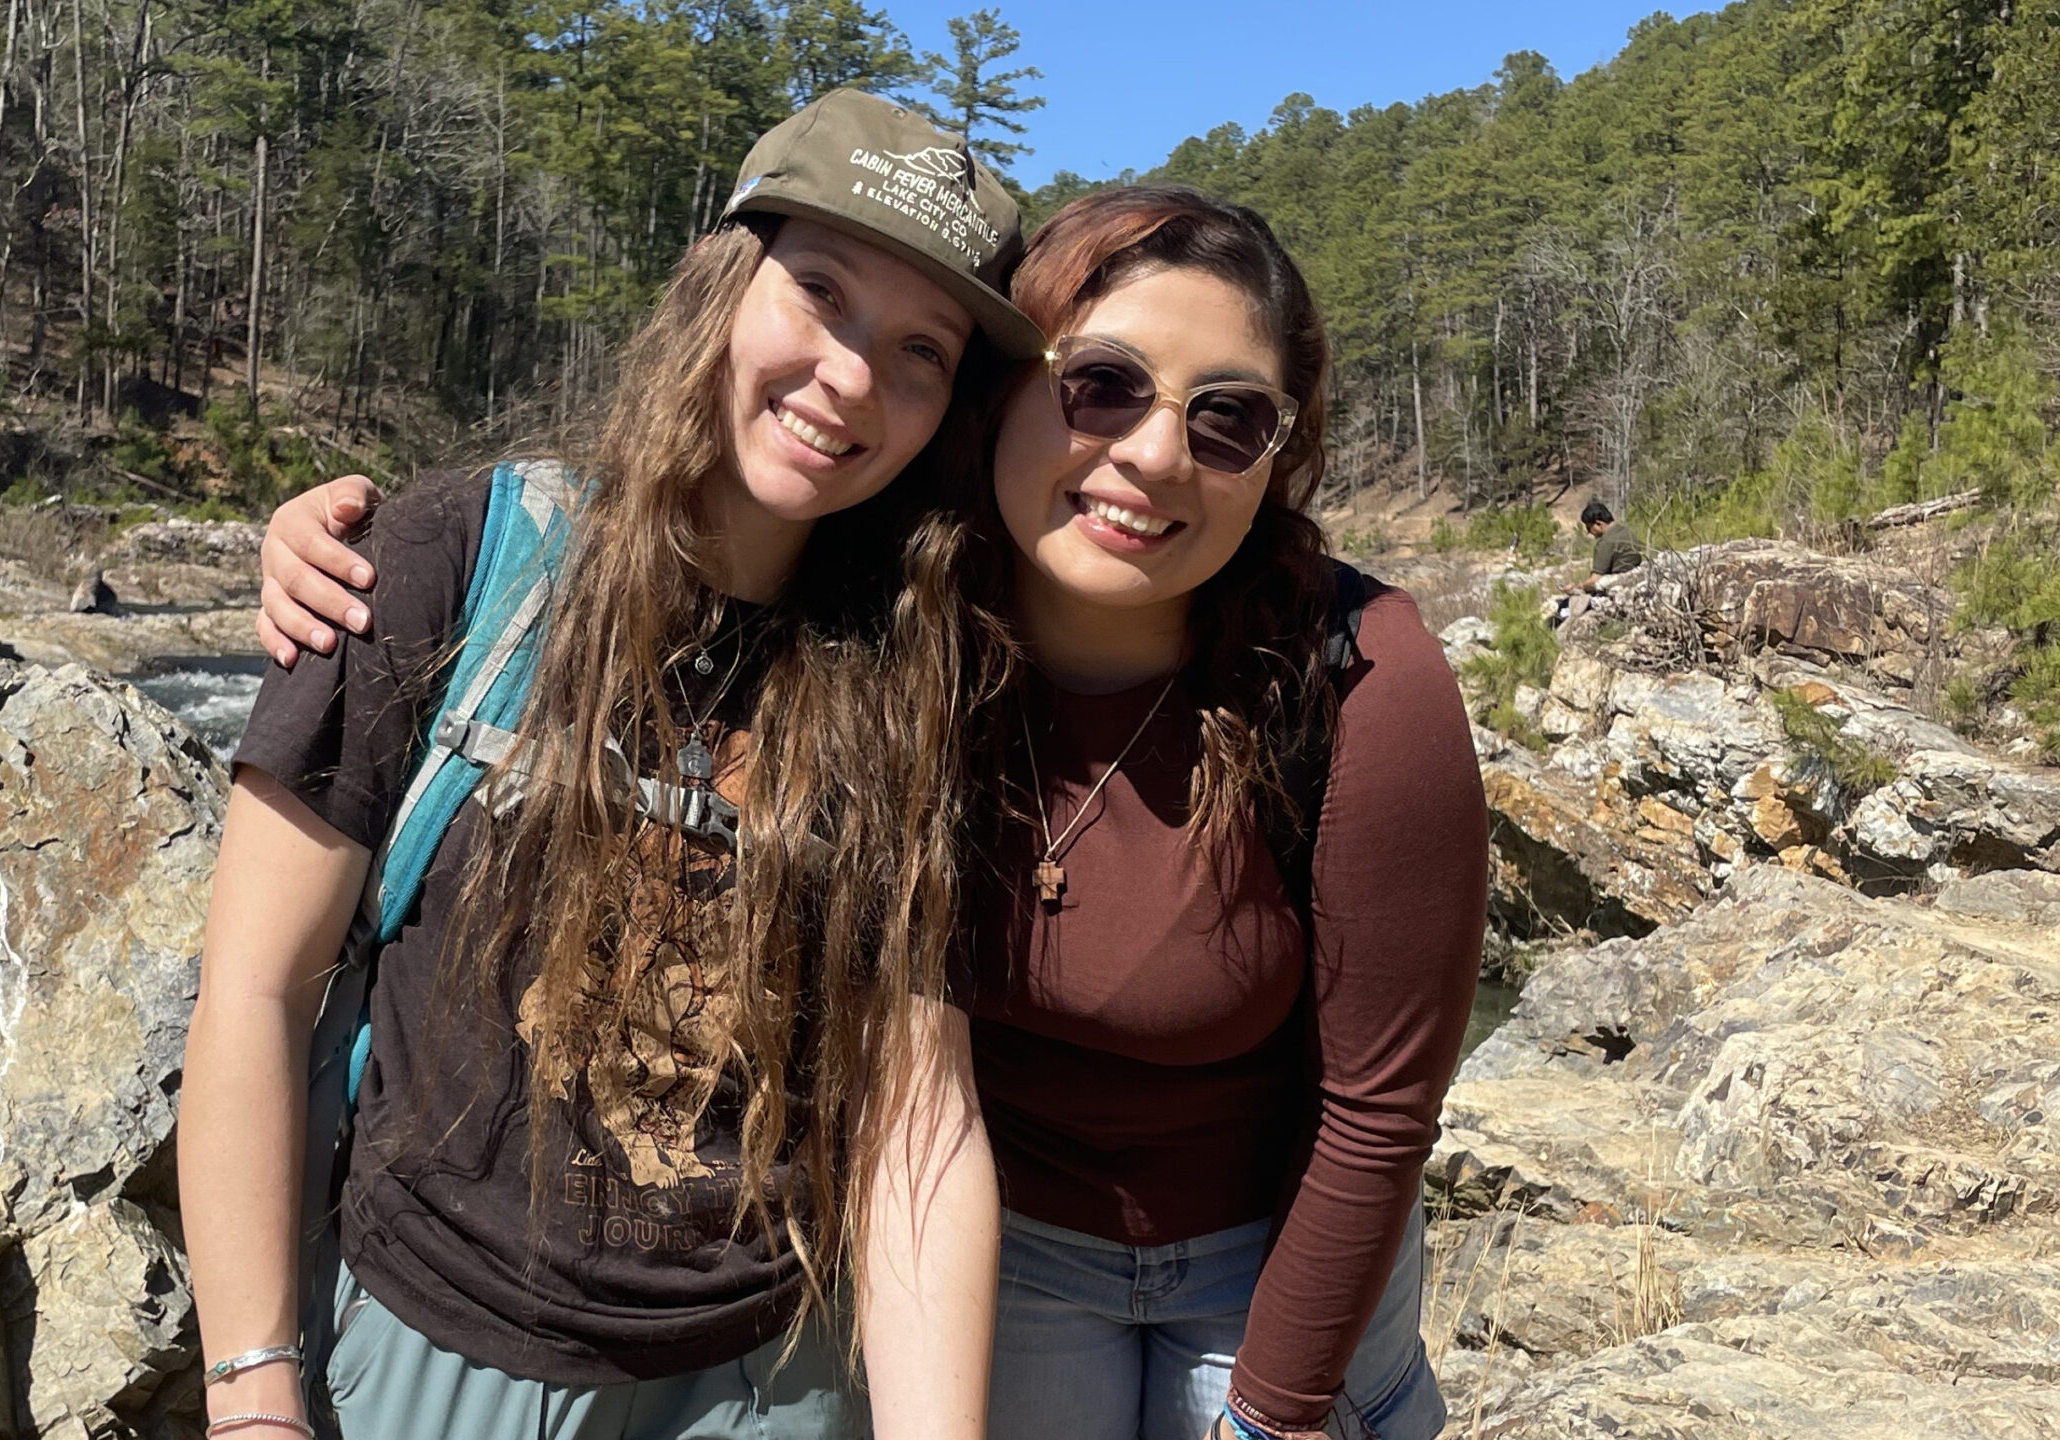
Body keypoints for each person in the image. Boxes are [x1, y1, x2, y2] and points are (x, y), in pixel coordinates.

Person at [258, 187, 1488, 1440]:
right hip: (999, 1254)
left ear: (1278, 455)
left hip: (1271, 1254)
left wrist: (1273, 1416)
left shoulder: (1351, 676)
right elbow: (697, 512)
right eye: (1100, 384)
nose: (1156, 454)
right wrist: (357, 546)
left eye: (1228, 418)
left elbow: (1380, 1107)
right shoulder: (898, 619)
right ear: (1001, 397)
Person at [182, 88, 1042, 1440]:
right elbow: (253, 989)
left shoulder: (921, 672)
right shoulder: (454, 559)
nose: (852, 376)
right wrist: (253, 1396)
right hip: (429, 1355)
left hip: (768, 1383)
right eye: (819, 293)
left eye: (921, 350)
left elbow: (917, 1120)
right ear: (719, 282)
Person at [1552, 499, 1644, 626]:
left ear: (1598, 524)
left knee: (1563, 608)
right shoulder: (1627, 532)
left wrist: (1575, 587)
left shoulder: (1605, 543)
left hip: (1614, 590)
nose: (1588, 532)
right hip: (1634, 583)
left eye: (1589, 527)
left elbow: (1595, 581)